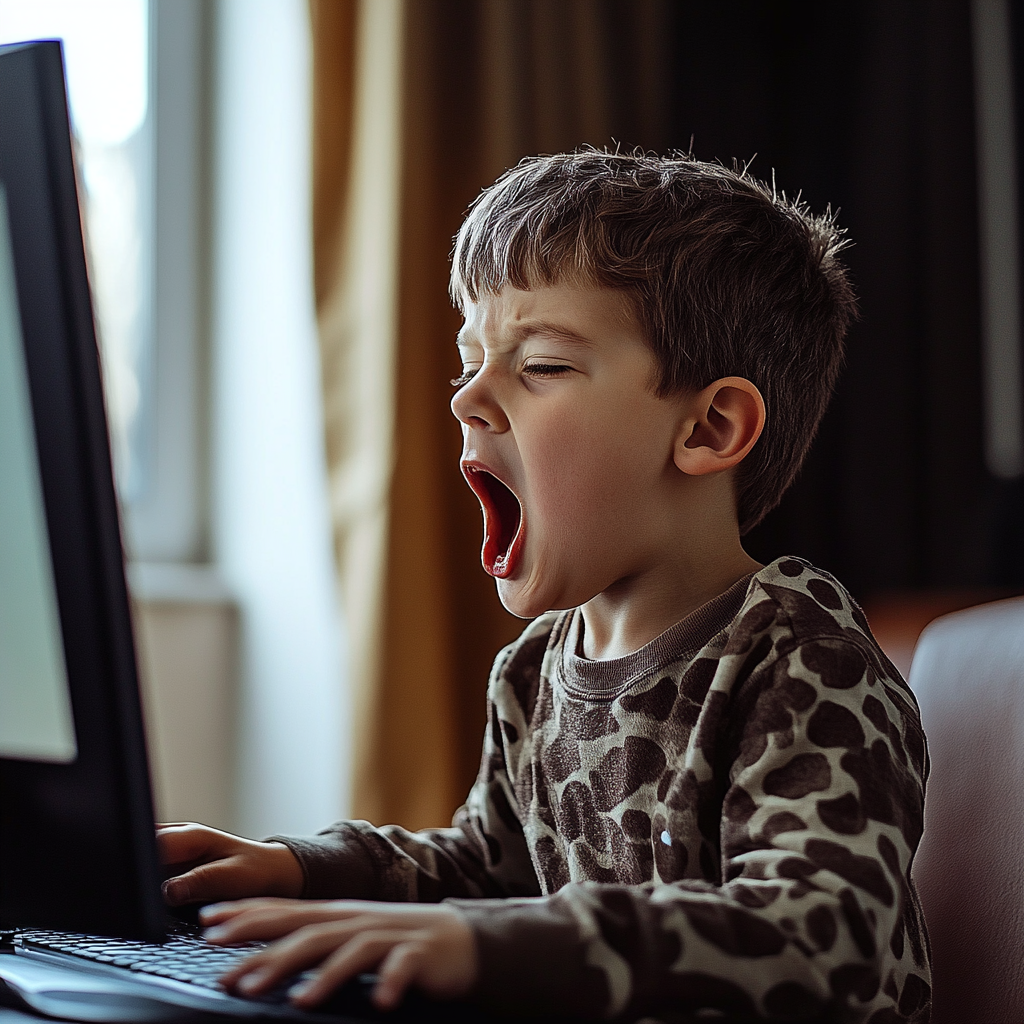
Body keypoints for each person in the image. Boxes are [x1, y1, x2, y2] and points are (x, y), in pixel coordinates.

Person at [159, 151, 931, 1023]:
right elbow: (490, 865)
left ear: (710, 427)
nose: (467, 402)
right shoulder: (532, 674)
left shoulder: (800, 660)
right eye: (469, 364)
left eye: (543, 366)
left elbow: (822, 933)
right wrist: (303, 868)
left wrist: (491, 945)